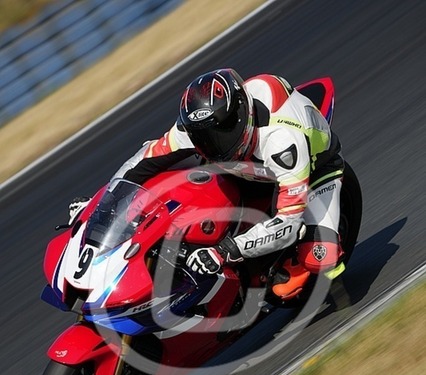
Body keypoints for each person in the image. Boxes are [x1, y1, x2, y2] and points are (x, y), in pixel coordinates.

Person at [70, 68, 345, 299]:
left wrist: (226, 251)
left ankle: (330, 286)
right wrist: (102, 203)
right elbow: (142, 161)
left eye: (222, 132)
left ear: (242, 115)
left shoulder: (281, 142)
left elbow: (288, 223)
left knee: (321, 256)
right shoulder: (195, 130)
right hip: (242, 169)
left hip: (313, 168)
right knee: (165, 183)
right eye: (205, 137)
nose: (213, 142)